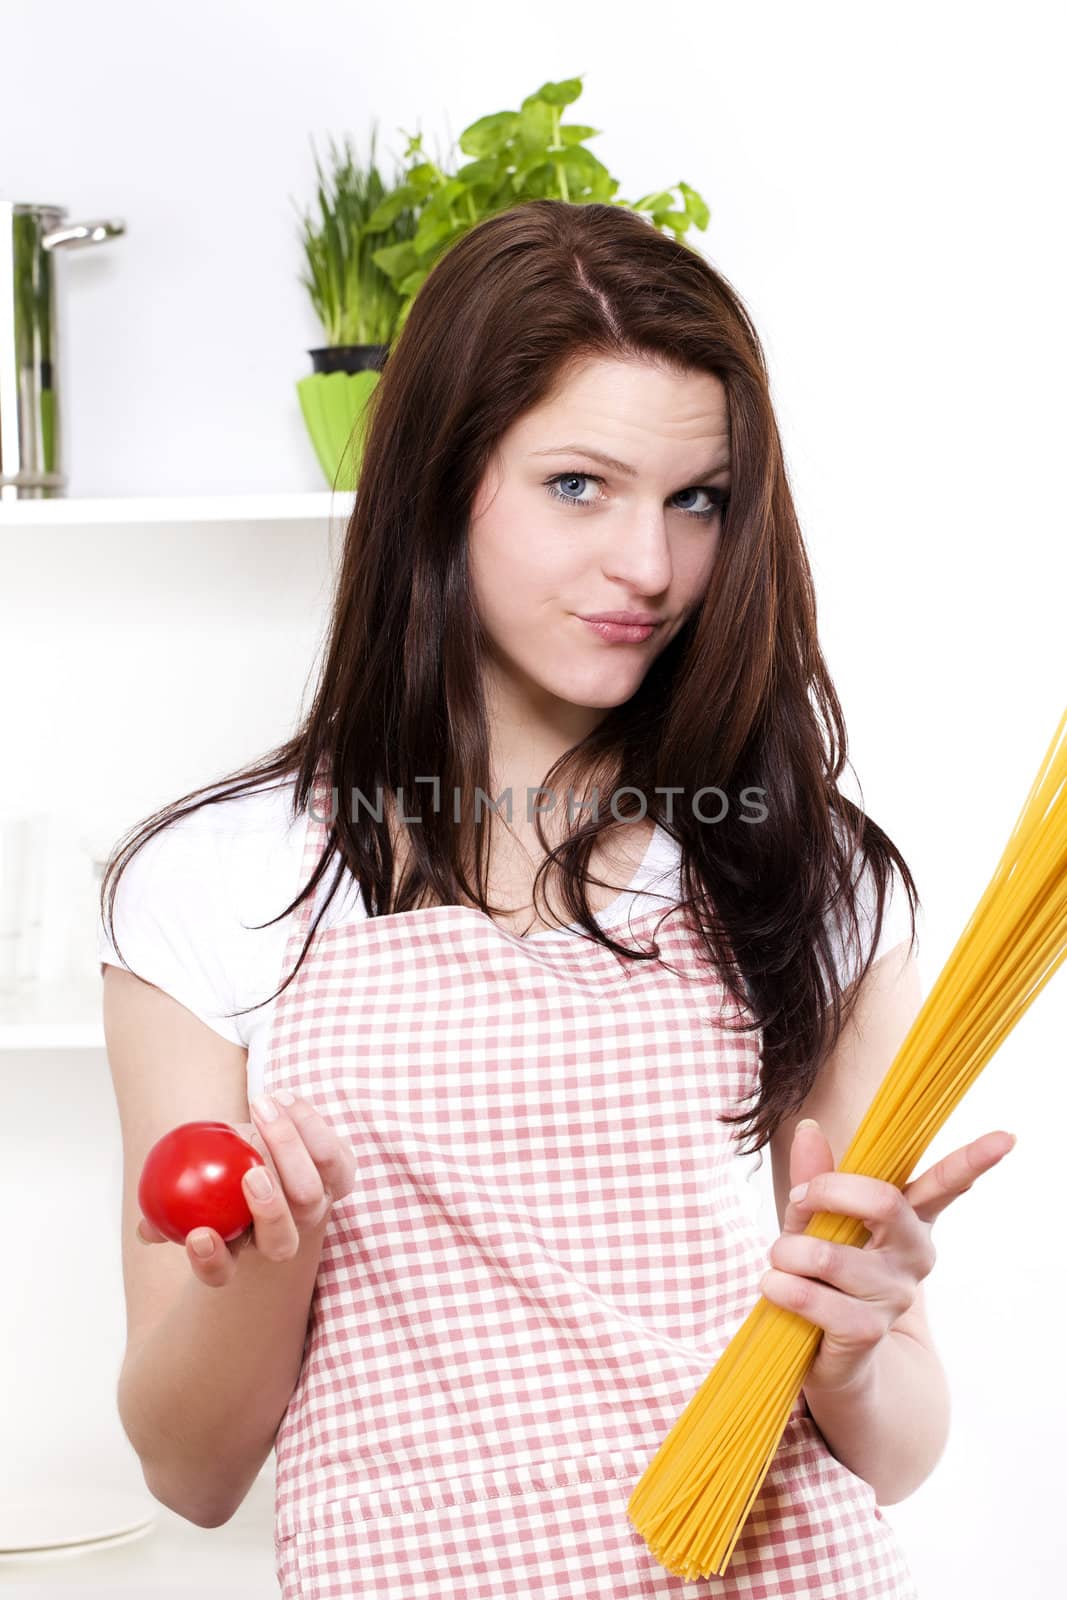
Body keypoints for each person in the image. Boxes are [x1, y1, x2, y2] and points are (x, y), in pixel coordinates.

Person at [99, 199, 1012, 1598]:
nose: (649, 567)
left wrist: (861, 1336)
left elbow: (891, 1455)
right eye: (578, 485)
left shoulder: (803, 876)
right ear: (440, 483)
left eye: (695, 499)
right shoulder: (219, 884)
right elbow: (192, 1472)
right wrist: (274, 1261)